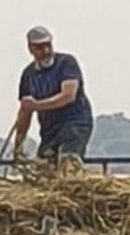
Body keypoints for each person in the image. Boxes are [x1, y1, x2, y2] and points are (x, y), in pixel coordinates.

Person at [13, 25, 95, 161]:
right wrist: (18, 146)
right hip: (49, 129)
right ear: (30, 49)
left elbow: (68, 96)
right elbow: (25, 112)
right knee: (43, 169)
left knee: (68, 161)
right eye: (40, 47)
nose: (46, 51)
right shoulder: (28, 74)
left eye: (48, 45)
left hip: (74, 123)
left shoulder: (67, 63)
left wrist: (36, 106)